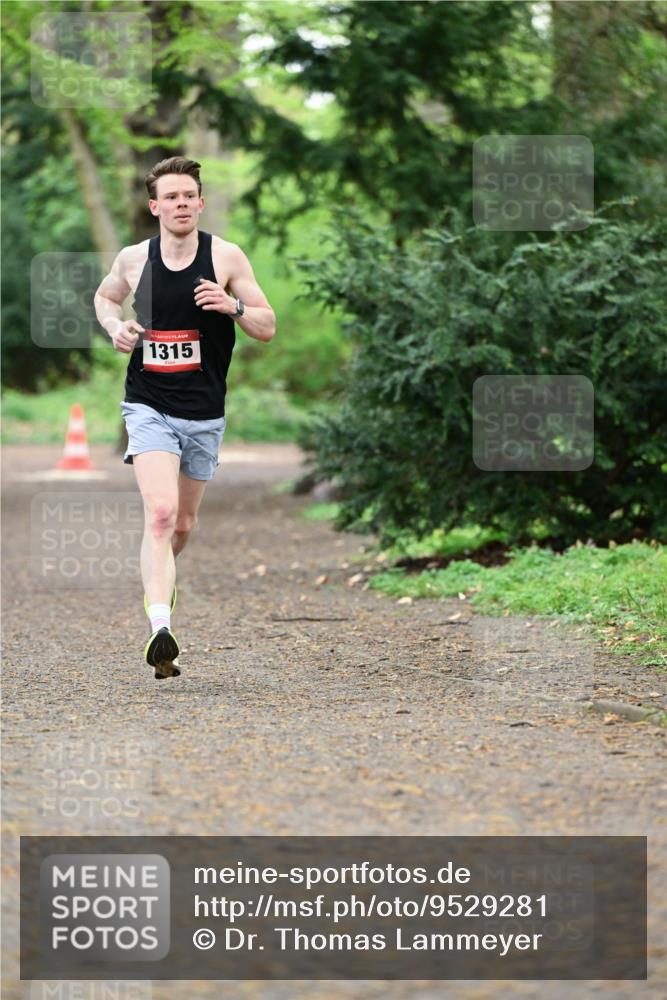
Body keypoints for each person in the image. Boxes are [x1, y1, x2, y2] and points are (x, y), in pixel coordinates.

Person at [94, 156, 276, 679]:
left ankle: (162, 582)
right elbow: (105, 299)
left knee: (183, 523)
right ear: (155, 206)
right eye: (169, 197)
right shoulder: (134, 259)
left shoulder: (225, 256)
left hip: (204, 414)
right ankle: (159, 627)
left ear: (199, 202)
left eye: (188, 196)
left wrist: (231, 306)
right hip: (148, 405)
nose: (179, 204)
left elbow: (267, 325)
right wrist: (115, 328)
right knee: (159, 513)